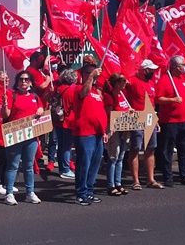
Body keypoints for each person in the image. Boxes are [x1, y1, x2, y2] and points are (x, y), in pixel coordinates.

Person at [2, 70, 46, 205]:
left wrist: (41, 110)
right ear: (17, 82)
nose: (24, 82)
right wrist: (4, 105)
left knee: (28, 165)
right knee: (13, 166)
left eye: (26, 79)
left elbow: (41, 109)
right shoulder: (11, 95)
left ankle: (30, 192)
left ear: (31, 82)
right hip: (15, 135)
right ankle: (9, 193)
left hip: (31, 136)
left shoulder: (35, 97)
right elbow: (6, 115)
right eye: (21, 79)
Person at [155, 55, 185, 186]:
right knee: (168, 149)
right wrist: (172, 100)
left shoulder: (181, 79)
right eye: (183, 65)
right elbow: (158, 99)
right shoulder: (165, 80)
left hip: (184, 120)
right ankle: (167, 176)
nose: (184, 67)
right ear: (176, 67)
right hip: (170, 121)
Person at [74, 64, 108, 204]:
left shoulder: (96, 91)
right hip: (85, 134)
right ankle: (81, 193)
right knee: (84, 164)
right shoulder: (79, 88)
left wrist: (104, 131)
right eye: (88, 72)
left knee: (95, 164)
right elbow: (83, 92)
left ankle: (89, 190)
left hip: (98, 134)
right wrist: (92, 76)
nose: (93, 75)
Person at [124, 60, 159, 189]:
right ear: (144, 70)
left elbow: (153, 101)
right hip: (137, 118)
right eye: (151, 70)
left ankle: (151, 179)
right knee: (135, 149)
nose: (153, 72)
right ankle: (136, 181)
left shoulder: (151, 82)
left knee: (151, 149)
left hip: (150, 118)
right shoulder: (132, 81)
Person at [102, 73, 134, 193]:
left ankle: (118, 182)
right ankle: (111, 184)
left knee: (121, 157)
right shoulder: (109, 96)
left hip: (124, 129)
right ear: (116, 83)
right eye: (122, 81)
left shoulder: (123, 94)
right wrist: (124, 114)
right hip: (113, 129)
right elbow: (110, 114)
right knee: (113, 156)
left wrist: (130, 112)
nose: (125, 83)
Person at [54, 69, 80, 180]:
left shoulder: (59, 89)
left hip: (58, 120)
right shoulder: (73, 90)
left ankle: (62, 167)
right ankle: (65, 169)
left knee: (61, 146)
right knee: (66, 147)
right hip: (68, 121)